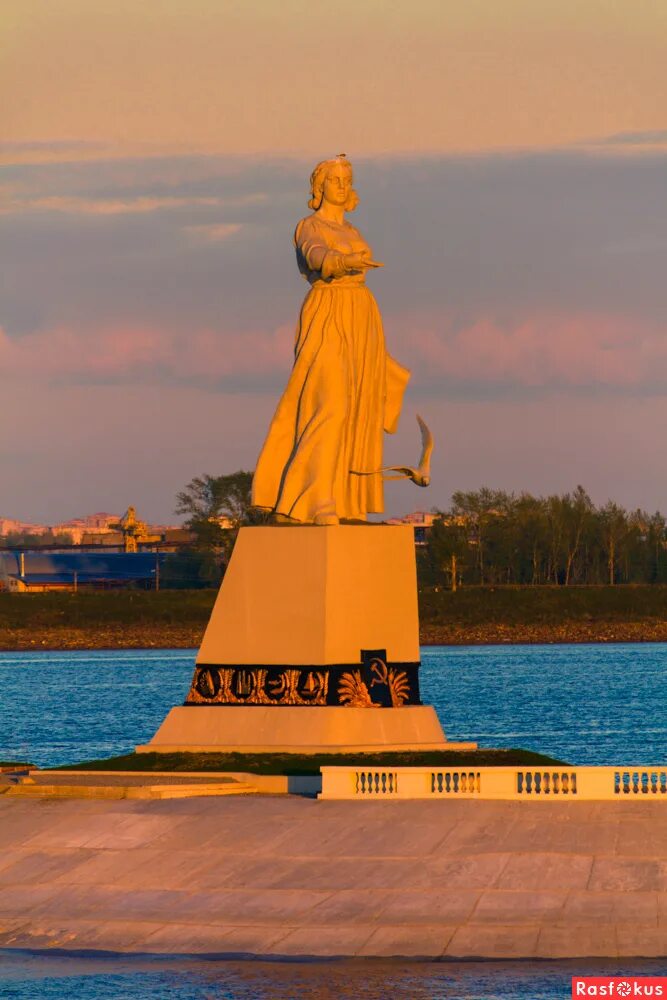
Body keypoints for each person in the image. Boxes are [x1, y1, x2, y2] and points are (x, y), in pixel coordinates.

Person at [251, 155, 409, 525]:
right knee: (330, 405)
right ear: (319, 186)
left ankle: (342, 500)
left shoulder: (353, 231)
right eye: (334, 179)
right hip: (328, 310)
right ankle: (309, 498)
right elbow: (314, 254)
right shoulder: (309, 225)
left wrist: (352, 263)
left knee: (356, 411)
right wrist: (340, 263)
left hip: (361, 314)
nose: (341, 185)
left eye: (346, 179)